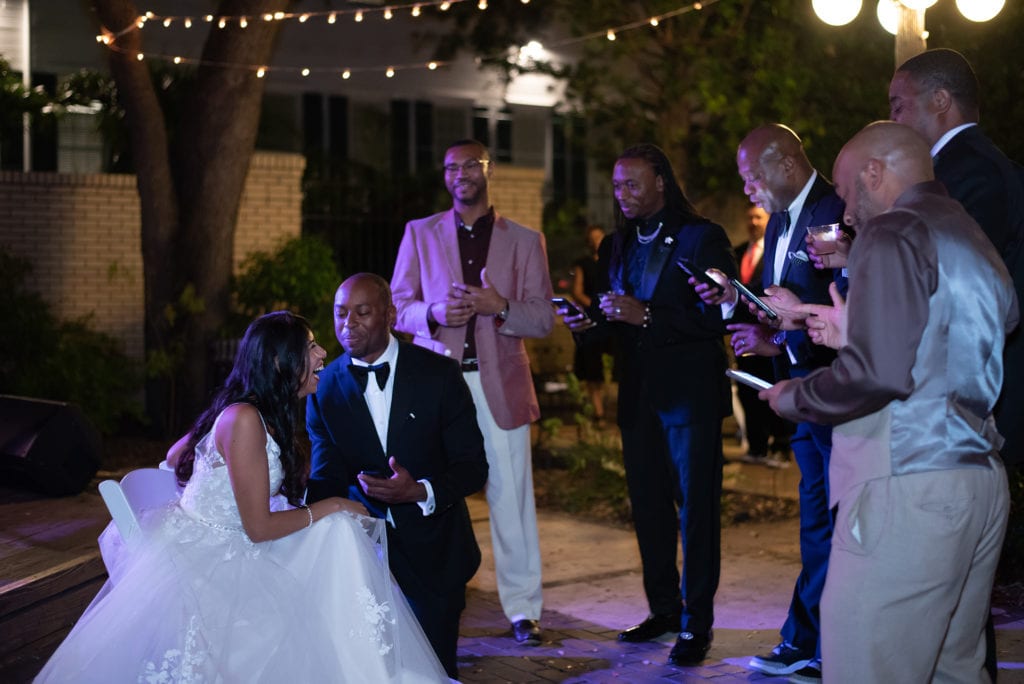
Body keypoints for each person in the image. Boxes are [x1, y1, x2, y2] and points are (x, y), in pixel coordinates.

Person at [35, 311, 450, 683]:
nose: (323, 352)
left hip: (237, 534)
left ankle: (362, 665)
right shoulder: (244, 417)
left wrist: (204, 477)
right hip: (216, 553)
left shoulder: (252, 410)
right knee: (338, 527)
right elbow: (258, 527)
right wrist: (332, 504)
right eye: (309, 347)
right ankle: (362, 669)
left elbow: (175, 456)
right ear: (278, 362)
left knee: (335, 537)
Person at [762, 121, 1018, 683]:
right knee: (953, 670)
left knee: (865, 665)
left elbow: (877, 376)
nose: (848, 214)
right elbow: (949, 341)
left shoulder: (893, 230)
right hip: (978, 481)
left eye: (851, 193)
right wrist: (853, 329)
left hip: (907, 480)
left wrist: (795, 396)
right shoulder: (970, 234)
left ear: (875, 173)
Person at [559, 143, 736, 665]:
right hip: (637, 397)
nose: (622, 194)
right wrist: (588, 328)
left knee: (697, 514)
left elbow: (718, 320)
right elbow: (618, 330)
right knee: (650, 511)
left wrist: (650, 316)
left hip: (690, 399)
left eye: (632, 184)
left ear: (661, 181)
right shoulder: (614, 245)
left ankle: (696, 624)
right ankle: (664, 608)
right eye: (616, 186)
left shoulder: (703, 238)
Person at [390, 139, 554, 646]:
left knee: (511, 499)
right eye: (451, 167)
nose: (460, 173)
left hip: (499, 386)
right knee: (429, 495)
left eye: (470, 164)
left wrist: (499, 305)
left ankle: (524, 611)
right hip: (436, 386)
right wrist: (434, 314)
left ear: (488, 170)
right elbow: (398, 305)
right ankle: (425, 596)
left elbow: (543, 318)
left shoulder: (525, 241)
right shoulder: (419, 234)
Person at [698, 124, 844, 681]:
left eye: (750, 177)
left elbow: (844, 303)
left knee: (831, 523)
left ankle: (818, 641)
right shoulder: (782, 219)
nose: (747, 191)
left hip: (833, 394)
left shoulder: (834, 211)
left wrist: (793, 327)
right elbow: (788, 310)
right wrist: (761, 329)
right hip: (797, 392)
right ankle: (809, 640)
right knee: (816, 524)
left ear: (785, 163)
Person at [307, 273, 489, 679]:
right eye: (339, 314)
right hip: (364, 558)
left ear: (389, 314)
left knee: (434, 672)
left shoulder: (439, 374)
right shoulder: (323, 388)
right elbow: (327, 475)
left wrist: (419, 491)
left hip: (436, 552)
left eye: (362, 312)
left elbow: (473, 465)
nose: (347, 323)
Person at [888, 47, 1024, 470]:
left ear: (941, 101)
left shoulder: (968, 173)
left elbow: (956, 279)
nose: (893, 120)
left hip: (984, 393)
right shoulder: (964, 166)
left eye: (898, 106)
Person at [731, 204, 792, 464]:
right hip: (743, 334)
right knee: (748, 391)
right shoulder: (737, 252)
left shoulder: (776, 252)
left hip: (770, 334)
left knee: (772, 387)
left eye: (758, 217)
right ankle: (756, 447)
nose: (753, 222)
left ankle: (780, 445)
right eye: (750, 217)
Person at [570, 224, 613, 422]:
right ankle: (598, 411)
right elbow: (577, 291)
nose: (597, 242)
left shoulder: (613, 262)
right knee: (592, 366)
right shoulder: (584, 264)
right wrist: (596, 307)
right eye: (593, 238)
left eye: (600, 238)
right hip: (592, 319)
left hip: (613, 318)